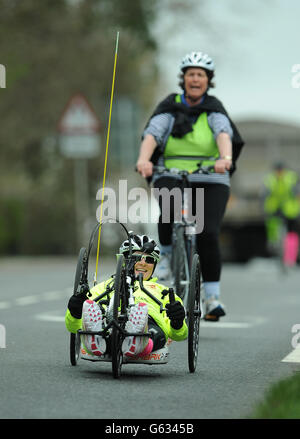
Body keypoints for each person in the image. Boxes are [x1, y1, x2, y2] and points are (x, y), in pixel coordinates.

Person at [136, 51, 244, 321]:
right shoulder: (169, 108)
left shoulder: (214, 109)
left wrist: (225, 158)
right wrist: (144, 159)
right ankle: (167, 262)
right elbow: (152, 133)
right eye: (190, 74)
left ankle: (212, 298)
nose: (195, 79)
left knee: (207, 233)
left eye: (201, 75)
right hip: (170, 171)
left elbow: (224, 134)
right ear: (183, 79)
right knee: (169, 208)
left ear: (208, 81)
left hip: (210, 176)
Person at [65, 234, 187, 359]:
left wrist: (177, 322)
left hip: (149, 323)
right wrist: (75, 312)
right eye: (136, 257)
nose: (143, 263)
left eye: (149, 260)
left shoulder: (164, 292)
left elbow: (179, 335)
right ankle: (98, 339)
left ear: (154, 265)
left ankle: (137, 341)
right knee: (95, 317)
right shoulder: (105, 286)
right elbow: (73, 327)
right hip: (109, 321)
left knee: (155, 333)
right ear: (123, 260)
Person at [263, 162, 300, 267]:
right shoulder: (273, 179)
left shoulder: (288, 178)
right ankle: (275, 246)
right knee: (276, 229)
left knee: (291, 233)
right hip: (277, 208)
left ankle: (289, 257)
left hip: (288, 209)